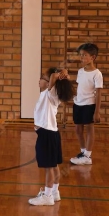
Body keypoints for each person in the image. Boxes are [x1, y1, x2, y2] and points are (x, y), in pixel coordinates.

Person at [29, 68, 73, 206]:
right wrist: (64, 74)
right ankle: (54, 192)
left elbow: (54, 75)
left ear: (50, 83)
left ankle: (47, 196)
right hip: (51, 134)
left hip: (47, 134)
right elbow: (56, 76)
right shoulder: (48, 94)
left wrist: (62, 73)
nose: (40, 80)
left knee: (49, 167)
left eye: (43, 77)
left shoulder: (51, 93)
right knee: (53, 166)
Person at [70, 43, 103, 165]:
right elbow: (80, 87)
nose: (81, 57)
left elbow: (98, 93)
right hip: (78, 104)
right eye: (81, 55)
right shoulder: (80, 71)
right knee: (78, 129)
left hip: (89, 105)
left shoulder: (97, 74)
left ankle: (88, 156)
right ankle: (83, 152)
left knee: (89, 129)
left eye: (84, 55)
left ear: (92, 57)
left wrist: (97, 112)